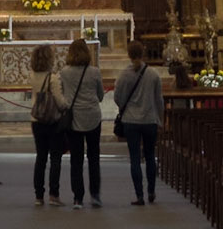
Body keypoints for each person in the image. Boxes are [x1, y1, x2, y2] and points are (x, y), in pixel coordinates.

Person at [113, 39, 164, 205]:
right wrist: (160, 120)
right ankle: (151, 191)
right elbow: (159, 100)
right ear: (143, 54)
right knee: (150, 156)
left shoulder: (124, 75)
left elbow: (117, 97)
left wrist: (124, 108)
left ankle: (139, 195)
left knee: (134, 158)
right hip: (150, 120)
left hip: (131, 121)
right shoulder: (154, 74)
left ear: (128, 55)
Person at [57, 36, 104, 207]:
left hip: (74, 117)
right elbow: (100, 95)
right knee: (94, 157)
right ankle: (96, 195)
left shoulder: (64, 72)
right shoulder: (95, 72)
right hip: (92, 116)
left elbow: (61, 94)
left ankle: (78, 198)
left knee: (76, 158)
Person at [30, 44, 66, 205]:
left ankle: (38, 196)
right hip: (52, 120)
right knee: (55, 158)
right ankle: (54, 194)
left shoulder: (32, 75)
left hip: (37, 120)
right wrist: (67, 105)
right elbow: (59, 100)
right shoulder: (52, 77)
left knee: (41, 158)